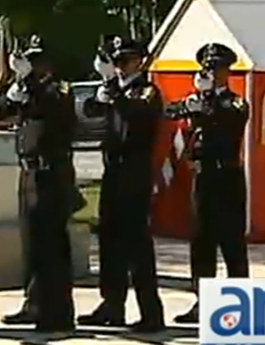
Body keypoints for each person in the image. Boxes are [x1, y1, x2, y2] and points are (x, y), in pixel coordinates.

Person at [0, 35, 76, 333]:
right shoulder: (28, 89)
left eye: (38, 61)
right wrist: (14, 91)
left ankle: (58, 311)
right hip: (28, 173)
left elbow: (53, 106)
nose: (35, 66)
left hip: (52, 173)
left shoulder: (58, 89)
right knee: (32, 243)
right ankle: (34, 303)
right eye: (31, 61)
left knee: (51, 244)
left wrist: (29, 83)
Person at [77, 37, 164, 332]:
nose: (119, 68)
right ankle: (112, 305)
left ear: (138, 61)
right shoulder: (117, 91)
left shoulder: (147, 92)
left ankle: (151, 312)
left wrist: (112, 91)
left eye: (123, 62)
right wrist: (102, 92)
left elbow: (132, 114)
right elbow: (89, 111)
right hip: (113, 171)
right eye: (116, 63)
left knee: (137, 244)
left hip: (135, 173)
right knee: (110, 241)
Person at [164, 42, 250, 324]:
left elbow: (230, 121)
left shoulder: (235, 102)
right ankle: (204, 301)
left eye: (217, 69)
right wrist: (191, 103)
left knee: (232, 243)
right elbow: (170, 111)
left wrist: (208, 100)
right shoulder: (198, 99)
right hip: (203, 177)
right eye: (208, 69)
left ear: (227, 72)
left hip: (227, 176)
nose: (212, 73)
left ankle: (241, 304)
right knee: (202, 241)